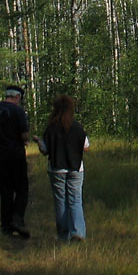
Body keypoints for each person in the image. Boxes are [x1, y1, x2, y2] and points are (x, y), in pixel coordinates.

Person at [0, 84, 39, 238]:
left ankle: (6, 226)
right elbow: (24, 136)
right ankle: (17, 219)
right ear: (17, 97)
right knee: (22, 188)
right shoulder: (18, 111)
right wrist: (25, 139)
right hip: (15, 154)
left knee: (5, 189)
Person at [39, 94, 90, 241]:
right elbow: (86, 147)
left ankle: (64, 235)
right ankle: (78, 232)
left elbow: (44, 150)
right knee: (75, 199)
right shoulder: (77, 127)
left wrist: (38, 142)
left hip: (56, 169)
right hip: (76, 168)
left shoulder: (51, 129)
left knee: (61, 201)